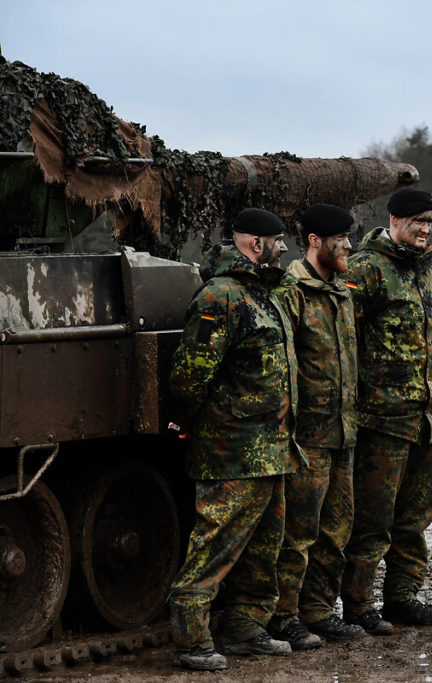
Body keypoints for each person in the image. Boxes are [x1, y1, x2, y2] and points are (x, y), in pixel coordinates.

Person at [167, 208, 302, 671]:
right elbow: (190, 373)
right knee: (215, 544)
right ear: (253, 242)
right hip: (231, 450)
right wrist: (184, 419)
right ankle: (190, 638)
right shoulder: (221, 296)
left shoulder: (266, 295)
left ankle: (245, 627)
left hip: (272, 446)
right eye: (277, 239)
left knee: (264, 548)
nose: (284, 248)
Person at [339, 187, 432, 632]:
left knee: (415, 518)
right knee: (373, 520)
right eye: (417, 220)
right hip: (381, 420)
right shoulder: (367, 269)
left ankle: (403, 597)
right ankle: (359, 605)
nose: (424, 229)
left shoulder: (429, 274)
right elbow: (344, 341)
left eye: (429, 222)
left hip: (427, 419)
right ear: (395, 220)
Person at [269, 204, 365, 649]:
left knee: (336, 530)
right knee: (298, 534)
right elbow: (283, 369)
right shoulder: (291, 293)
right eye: (341, 239)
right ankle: (283, 616)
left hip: (344, 433)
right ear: (314, 241)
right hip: (308, 438)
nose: (349, 245)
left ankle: (320, 611)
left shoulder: (341, 291)